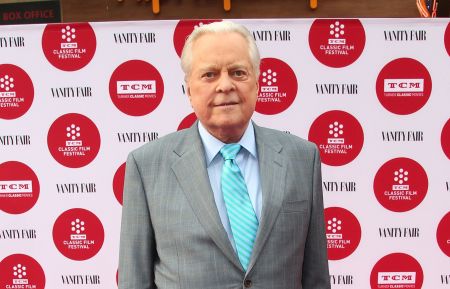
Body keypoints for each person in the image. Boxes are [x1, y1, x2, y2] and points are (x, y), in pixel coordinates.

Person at [118, 20, 330, 289]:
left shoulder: (302, 159)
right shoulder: (146, 166)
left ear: (257, 82)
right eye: (209, 74)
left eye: (238, 72)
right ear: (189, 89)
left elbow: (317, 278)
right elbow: (133, 281)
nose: (225, 85)